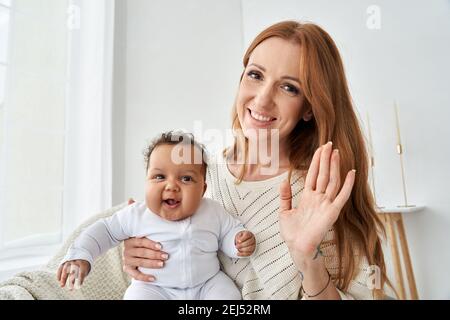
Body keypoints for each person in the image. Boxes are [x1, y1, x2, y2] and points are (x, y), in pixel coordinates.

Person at [122, 20, 392, 300]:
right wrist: (141, 255)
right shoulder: (198, 175)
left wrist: (307, 258)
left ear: (309, 108)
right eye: (255, 75)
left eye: (289, 88)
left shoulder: (321, 196)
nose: (262, 100)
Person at [57, 131, 256, 300]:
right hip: (155, 288)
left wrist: (238, 242)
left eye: (186, 178)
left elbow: (229, 231)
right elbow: (104, 231)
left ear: (202, 189)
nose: (171, 186)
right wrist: (81, 255)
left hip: (206, 284)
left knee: (227, 294)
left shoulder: (212, 210)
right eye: (159, 176)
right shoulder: (137, 215)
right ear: (146, 182)